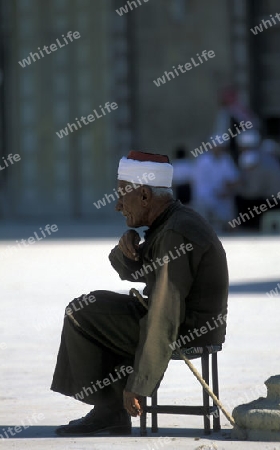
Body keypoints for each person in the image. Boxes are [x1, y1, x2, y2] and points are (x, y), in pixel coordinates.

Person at [51, 151, 229, 436]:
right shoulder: (171, 222)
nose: (118, 206)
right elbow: (137, 272)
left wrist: (139, 383)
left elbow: (163, 313)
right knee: (91, 306)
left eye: (123, 195)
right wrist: (128, 246)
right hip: (187, 323)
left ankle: (111, 410)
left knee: (83, 314)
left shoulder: (174, 233)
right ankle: (109, 411)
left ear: (144, 196)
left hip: (189, 330)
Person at [191, 143, 240, 231]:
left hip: (222, 197)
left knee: (229, 212)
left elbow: (233, 178)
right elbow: (199, 183)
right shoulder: (202, 161)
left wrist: (227, 191)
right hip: (204, 197)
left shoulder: (226, 159)